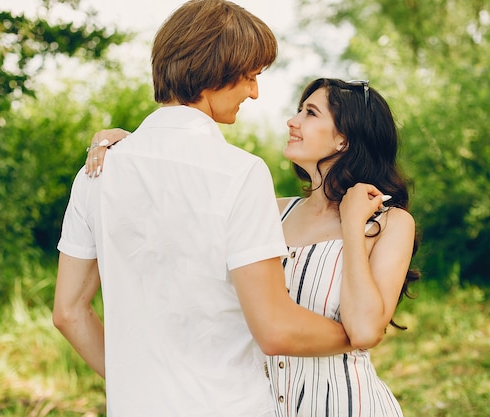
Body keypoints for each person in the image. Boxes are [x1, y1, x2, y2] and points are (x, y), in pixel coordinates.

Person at [53, 2, 354, 416]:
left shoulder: (97, 171)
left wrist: (136, 386)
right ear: (216, 73)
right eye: (250, 77)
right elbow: (274, 329)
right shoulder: (241, 172)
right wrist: (354, 334)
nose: (254, 92)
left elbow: (68, 313)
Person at [87, 78, 420, 416]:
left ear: (343, 138)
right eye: (298, 110)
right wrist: (132, 150)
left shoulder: (389, 224)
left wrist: (351, 224)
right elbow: (183, 201)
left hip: (346, 405)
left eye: (310, 113)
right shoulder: (270, 210)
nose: (293, 121)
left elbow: (364, 329)